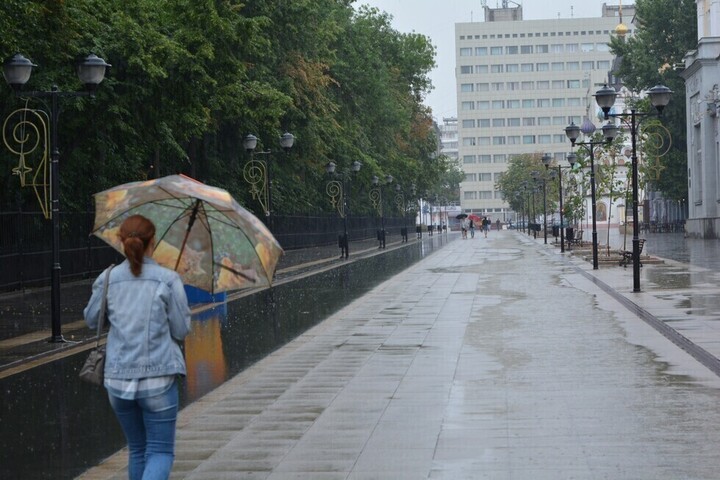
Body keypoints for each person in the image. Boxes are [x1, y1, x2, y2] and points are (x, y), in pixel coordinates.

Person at [84, 214, 191, 480]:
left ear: (121, 242)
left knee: (138, 449)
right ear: (153, 241)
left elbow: (91, 319)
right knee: (160, 452)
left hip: (118, 381)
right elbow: (181, 329)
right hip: (159, 379)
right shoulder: (167, 279)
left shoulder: (108, 278)